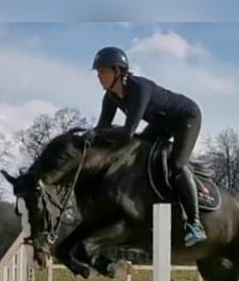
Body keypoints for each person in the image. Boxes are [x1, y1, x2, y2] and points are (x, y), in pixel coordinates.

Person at [88, 46, 207, 247]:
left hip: (186, 117)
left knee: (176, 165)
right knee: (139, 151)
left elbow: (127, 131)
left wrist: (96, 133)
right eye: (98, 73)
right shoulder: (110, 97)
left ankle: (195, 224)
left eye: (103, 72)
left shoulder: (138, 88)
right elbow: (101, 129)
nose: (99, 77)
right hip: (163, 122)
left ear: (118, 71)